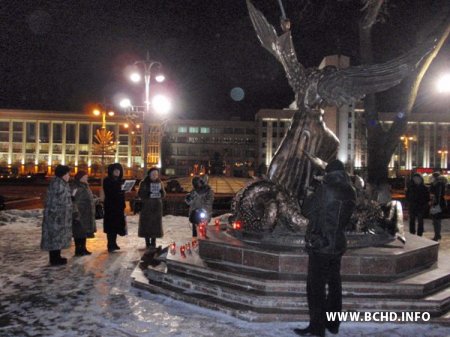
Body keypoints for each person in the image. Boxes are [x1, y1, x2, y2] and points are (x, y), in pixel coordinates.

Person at [296, 159, 356, 337]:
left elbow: (306, 211)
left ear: (329, 172)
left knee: (316, 288)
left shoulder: (325, 189)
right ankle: (333, 324)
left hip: (321, 244)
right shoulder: (350, 190)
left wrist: (309, 193)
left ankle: (317, 328)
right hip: (337, 243)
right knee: (335, 285)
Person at [41, 165, 73, 266]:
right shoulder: (57, 184)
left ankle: (57, 257)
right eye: (67, 174)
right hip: (56, 216)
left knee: (58, 237)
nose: (69, 176)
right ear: (62, 174)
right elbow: (56, 201)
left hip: (60, 216)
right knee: (54, 237)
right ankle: (54, 259)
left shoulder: (62, 183)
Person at [138, 167, 166, 248]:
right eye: (153, 174)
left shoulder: (160, 183)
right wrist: (148, 193)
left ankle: (153, 242)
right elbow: (140, 194)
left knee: (155, 225)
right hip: (146, 208)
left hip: (156, 208)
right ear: (149, 174)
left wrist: (161, 192)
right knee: (146, 225)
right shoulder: (144, 183)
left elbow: (164, 194)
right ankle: (147, 242)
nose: (155, 175)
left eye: (156, 174)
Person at [71, 171, 97, 256]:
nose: (87, 178)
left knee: (84, 232)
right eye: (85, 177)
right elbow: (73, 200)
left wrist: (94, 199)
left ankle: (83, 248)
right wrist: (75, 212)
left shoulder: (85, 186)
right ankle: (78, 249)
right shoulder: (76, 186)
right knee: (78, 232)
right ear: (81, 178)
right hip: (80, 212)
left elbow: (88, 197)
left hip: (86, 213)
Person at [103, 163, 127, 252]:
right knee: (111, 226)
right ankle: (110, 244)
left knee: (117, 225)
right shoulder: (107, 180)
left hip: (119, 207)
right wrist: (119, 189)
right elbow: (110, 192)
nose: (117, 172)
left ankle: (114, 243)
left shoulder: (120, 181)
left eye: (119, 171)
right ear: (112, 171)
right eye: (115, 170)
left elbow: (120, 193)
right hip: (111, 207)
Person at [429, 172, 447, 241]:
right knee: (437, 220)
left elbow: (437, 195)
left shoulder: (438, 183)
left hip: (437, 204)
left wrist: (435, 204)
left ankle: (437, 235)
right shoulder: (440, 183)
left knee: (436, 220)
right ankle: (438, 234)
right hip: (439, 203)